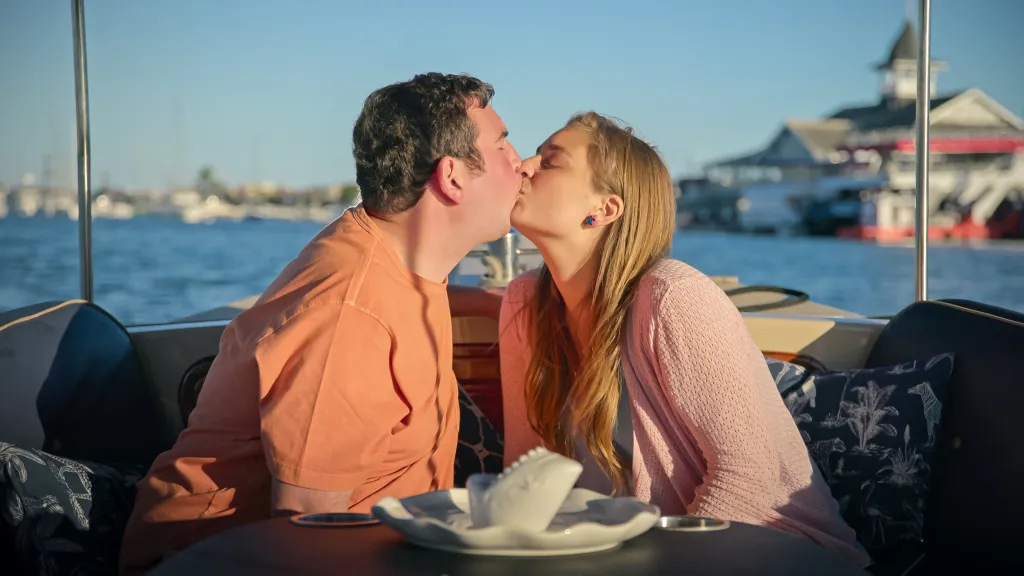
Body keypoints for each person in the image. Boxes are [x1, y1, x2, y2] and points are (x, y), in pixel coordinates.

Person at [119, 73, 522, 575]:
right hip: (214, 561)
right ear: (452, 177)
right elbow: (307, 531)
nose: (520, 163)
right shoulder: (349, 318)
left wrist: (491, 303)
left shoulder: (397, 264)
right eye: (503, 144)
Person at [498, 112, 870, 567]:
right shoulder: (523, 302)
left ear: (606, 209)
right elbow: (525, 471)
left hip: (771, 553)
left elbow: (747, 477)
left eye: (551, 161)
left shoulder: (672, 298)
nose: (523, 166)